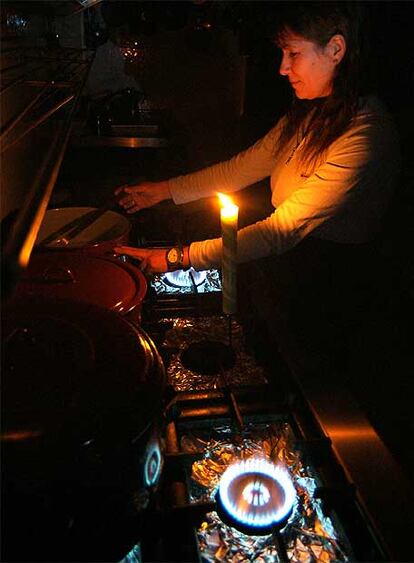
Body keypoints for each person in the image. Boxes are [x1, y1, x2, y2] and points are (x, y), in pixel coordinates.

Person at [113, 2, 400, 377]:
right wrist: (163, 190)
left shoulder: (364, 135)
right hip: (292, 265)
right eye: (283, 53)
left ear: (336, 49)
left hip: (330, 281)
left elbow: (280, 231)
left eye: (293, 53)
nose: (282, 67)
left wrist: (176, 257)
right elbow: (241, 168)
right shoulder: (314, 112)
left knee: (311, 373)